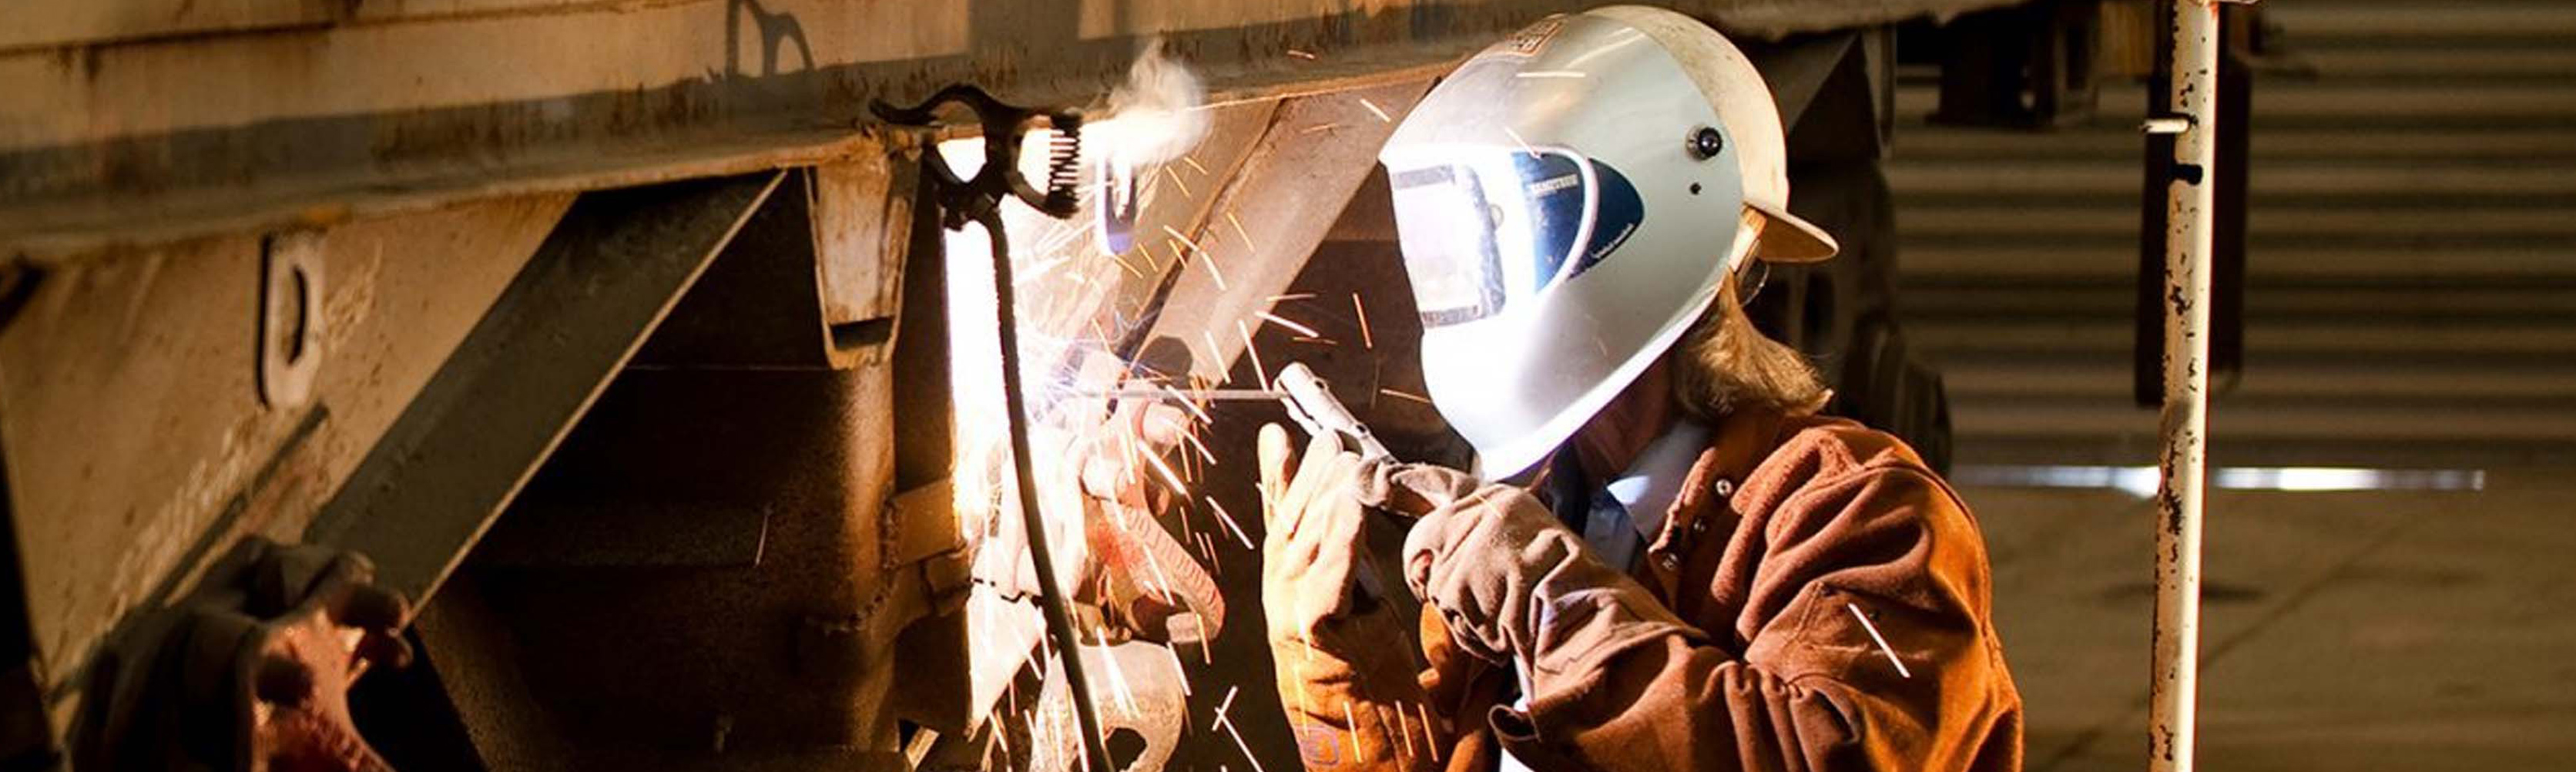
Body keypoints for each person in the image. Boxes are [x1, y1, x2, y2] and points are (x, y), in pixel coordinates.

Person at [1253, 7, 2022, 770]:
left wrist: (1552, 604)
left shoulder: (1854, 513)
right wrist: (1347, 670)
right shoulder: (1536, 518)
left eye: (1503, 219)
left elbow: (1826, 757)